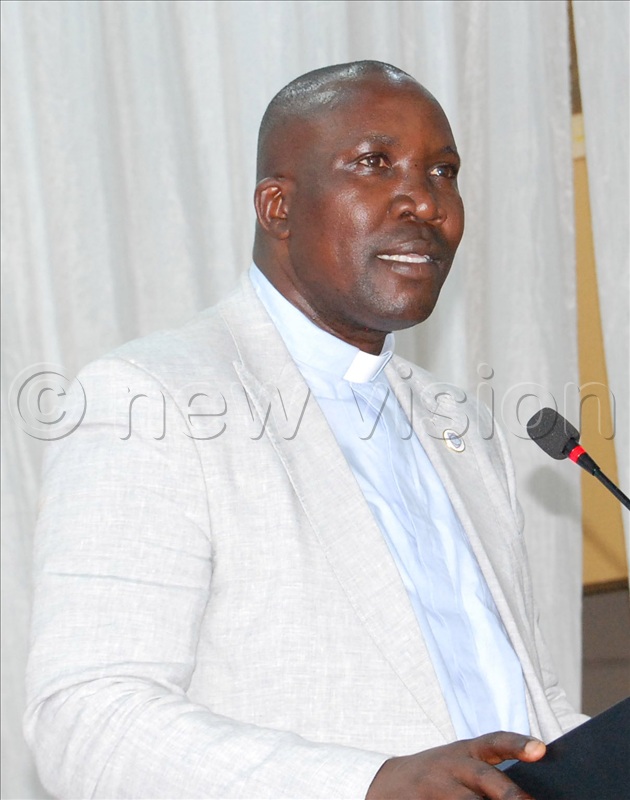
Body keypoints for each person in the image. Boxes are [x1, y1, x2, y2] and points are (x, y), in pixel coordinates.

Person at [24, 61, 585, 799]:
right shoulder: (151, 399)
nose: (425, 200)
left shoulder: (462, 429)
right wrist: (367, 784)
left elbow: (519, 704)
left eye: (444, 171)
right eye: (374, 164)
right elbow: (86, 720)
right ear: (277, 206)